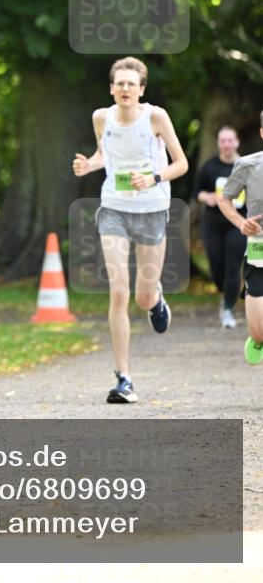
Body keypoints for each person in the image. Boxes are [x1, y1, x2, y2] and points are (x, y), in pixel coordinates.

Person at [73, 56, 188, 404]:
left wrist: (152, 177)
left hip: (152, 210)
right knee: (119, 292)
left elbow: (182, 164)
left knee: (141, 296)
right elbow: (104, 155)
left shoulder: (155, 117)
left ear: (141, 89)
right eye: (119, 83)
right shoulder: (101, 117)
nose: (125, 89)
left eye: (131, 84)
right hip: (114, 210)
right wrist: (88, 164)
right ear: (112, 88)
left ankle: (155, 300)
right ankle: (123, 378)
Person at [218, 111, 263, 365]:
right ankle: (256, 339)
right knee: (259, 332)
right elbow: (225, 198)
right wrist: (240, 222)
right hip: (259, 251)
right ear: (262, 133)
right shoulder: (248, 165)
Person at [193, 126, 247, 328]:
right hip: (213, 222)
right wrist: (208, 198)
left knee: (233, 265)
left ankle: (228, 309)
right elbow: (197, 193)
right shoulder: (209, 167)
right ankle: (225, 293)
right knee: (217, 269)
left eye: (230, 140)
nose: (226, 145)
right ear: (218, 143)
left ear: (237, 142)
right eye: (223, 141)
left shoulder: (246, 166)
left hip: (238, 222)